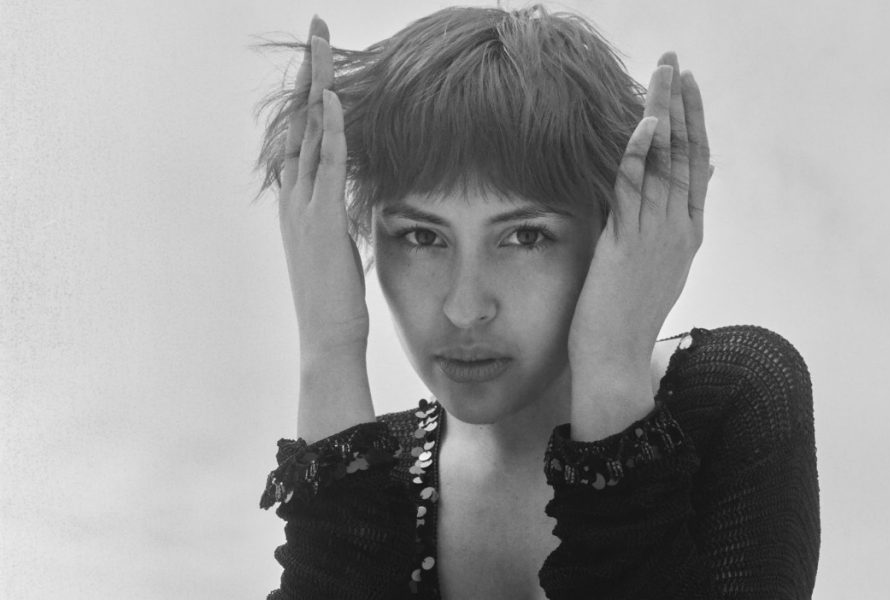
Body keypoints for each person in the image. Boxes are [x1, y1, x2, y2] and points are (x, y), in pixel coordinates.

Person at [255, 5, 820, 599]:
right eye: (422, 236)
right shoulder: (365, 479)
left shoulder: (734, 397)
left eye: (525, 237)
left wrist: (612, 363)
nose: (465, 309)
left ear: (615, 226)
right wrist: (330, 345)